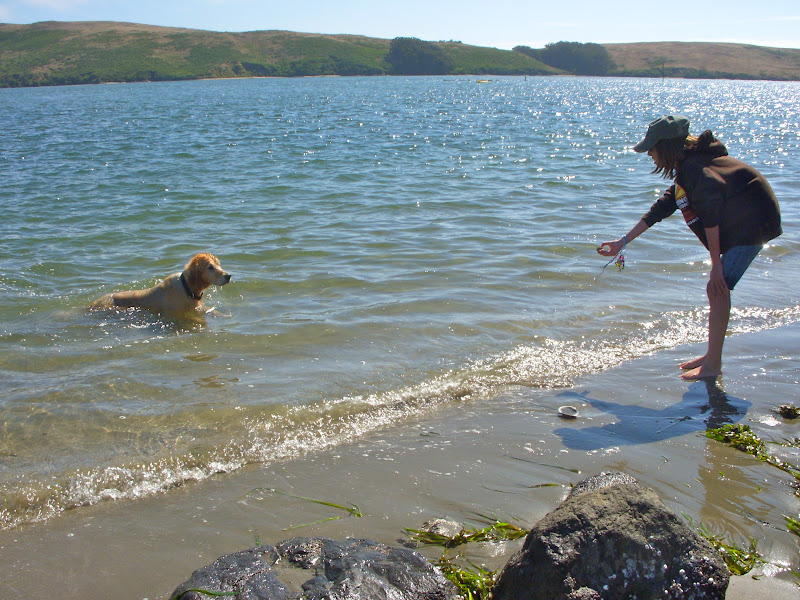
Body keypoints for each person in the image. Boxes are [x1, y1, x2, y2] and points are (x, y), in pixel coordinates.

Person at [597, 115, 782, 380]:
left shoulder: (695, 169)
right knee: (717, 289)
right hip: (749, 222)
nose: (649, 152)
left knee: (717, 288)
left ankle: (712, 366)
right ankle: (712, 356)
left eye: (652, 147)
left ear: (668, 146)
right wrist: (622, 242)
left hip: (754, 226)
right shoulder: (690, 167)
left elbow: (711, 210)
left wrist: (716, 264)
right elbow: (665, 205)